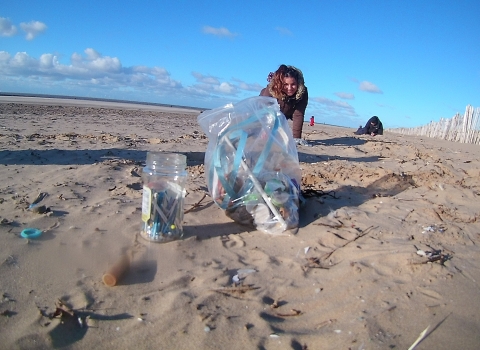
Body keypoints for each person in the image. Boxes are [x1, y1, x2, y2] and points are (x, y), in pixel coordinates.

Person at [260, 64, 309, 146]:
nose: (290, 88)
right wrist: (265, 128)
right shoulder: (271, 89)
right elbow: (264, 110)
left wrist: (296, 138)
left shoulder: (302, 92)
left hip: (286, 112)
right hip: (265, 110)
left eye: (293, 84)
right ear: (280, 83)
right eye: (286, 84)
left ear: (298, 83)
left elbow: (298, 114)